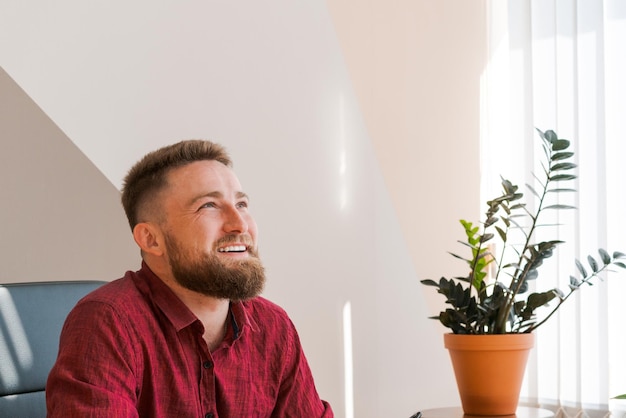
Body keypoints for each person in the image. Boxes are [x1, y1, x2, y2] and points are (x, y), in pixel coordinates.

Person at [46, 140, 333, 417]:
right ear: (151, 239)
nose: (240, 223)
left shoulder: (273, 326)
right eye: (209, 205)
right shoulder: (108, 322)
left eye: (242, 204)